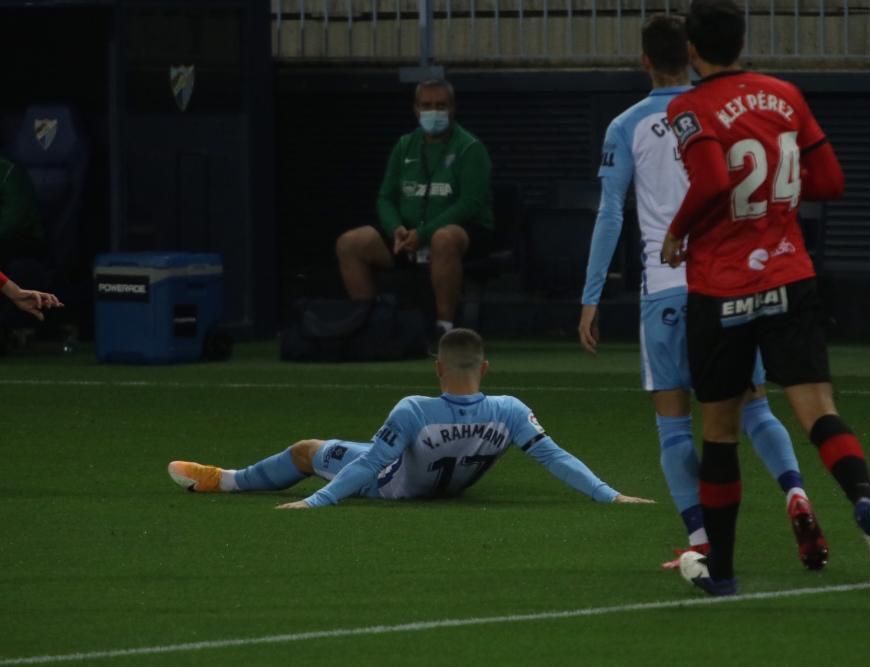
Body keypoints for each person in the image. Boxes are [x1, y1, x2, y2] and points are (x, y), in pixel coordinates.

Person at [660, 0, 870, 595]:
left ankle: (721, 572)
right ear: (742, 41)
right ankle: (866, 505)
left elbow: (716, 180)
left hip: (721, 285)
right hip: (789, 276)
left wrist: (678, 230)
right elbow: (830, 182)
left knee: (719, 430)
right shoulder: (785, 95)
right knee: (817, 410)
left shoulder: (689, 107)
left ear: (691, 50)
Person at [578, 14, 827, 572]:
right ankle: (795, 491)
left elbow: (609, 215)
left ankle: (702, 538)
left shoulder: (627, 125)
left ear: (644, 60)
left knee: (673, 422)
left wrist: (591, 295)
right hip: (731, 283)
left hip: (665, 291)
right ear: (690, 55)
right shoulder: (719, 109)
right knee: (755, 405)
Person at [168, 328, 653, 508]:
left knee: (305, 450)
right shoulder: (509, 410)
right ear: (484, 368)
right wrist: (610, 495)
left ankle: (226, 482)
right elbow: (555, 457)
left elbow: (370, 465)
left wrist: (318, 502)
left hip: (392, 486)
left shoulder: (415, 409)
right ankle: (229, 480)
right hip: (451, 489)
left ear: (438, 368)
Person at [335, 80, 494, 344]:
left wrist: (424, 234)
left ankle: (444, 329)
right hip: (408, 236)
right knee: (350, 243)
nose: (434, 112)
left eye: (441, 106)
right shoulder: (404, 146)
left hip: (463, 235)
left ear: (453, 109)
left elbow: (470, 204)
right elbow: (385, 197)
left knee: (444, 238)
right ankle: (370, 323)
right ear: (416, 109)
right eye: (427, 106)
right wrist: (395, 229)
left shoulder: (470, 148)